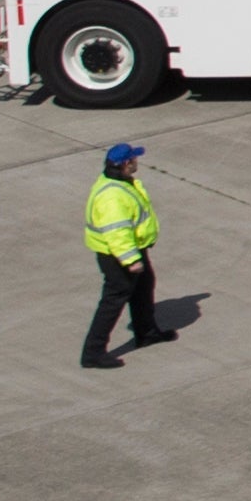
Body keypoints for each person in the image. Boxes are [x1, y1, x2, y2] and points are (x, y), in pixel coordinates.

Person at [82, 142, 168, 369]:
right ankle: (93, 352)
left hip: (132, 248)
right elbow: (117, 232)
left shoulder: (121, 183)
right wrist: (131, 260)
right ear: (126, 164)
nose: (137, 161)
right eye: (134, 158)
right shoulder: (112, 196)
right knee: (113, 300)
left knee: (143, 287)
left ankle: (146, 333)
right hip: (117, 255)